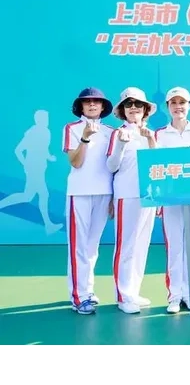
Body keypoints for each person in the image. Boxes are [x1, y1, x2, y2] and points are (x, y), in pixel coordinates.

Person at [154, 87, 190, 314]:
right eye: (173, 103)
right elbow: (155, 166)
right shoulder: (159, 135)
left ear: (189, 105)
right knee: (175, 247)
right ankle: (175, 296)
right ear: (168, 106)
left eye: (182, 102)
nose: (178, 107)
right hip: (171, 199)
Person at [62, 88, 114, 315]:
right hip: (79, 193)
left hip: (104, 194)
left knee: (92, 247)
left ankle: (87, 290)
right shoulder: (71, 129)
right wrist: (85, 137)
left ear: (102, 107)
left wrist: (112, 197)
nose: (92, 105)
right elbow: (75, 162)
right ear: (81, 107)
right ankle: (78, 297)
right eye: (87, 102)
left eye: (96, 102)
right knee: (78, 247)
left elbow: (113, 167)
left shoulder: (111, 132)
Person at [106, 87, 158, 314]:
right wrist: (120, 144)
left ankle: (133, 291)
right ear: (123, 110)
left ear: (145, 109)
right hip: (126, 195)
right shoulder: (118, 134)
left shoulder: (151, 134)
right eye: (129, 104)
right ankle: (123, 296)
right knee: (126, 246)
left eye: (138, 104)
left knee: (141, 245)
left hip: (148, 196)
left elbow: (157, 166)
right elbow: (111, 166)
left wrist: (151, 140)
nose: (134, 108)